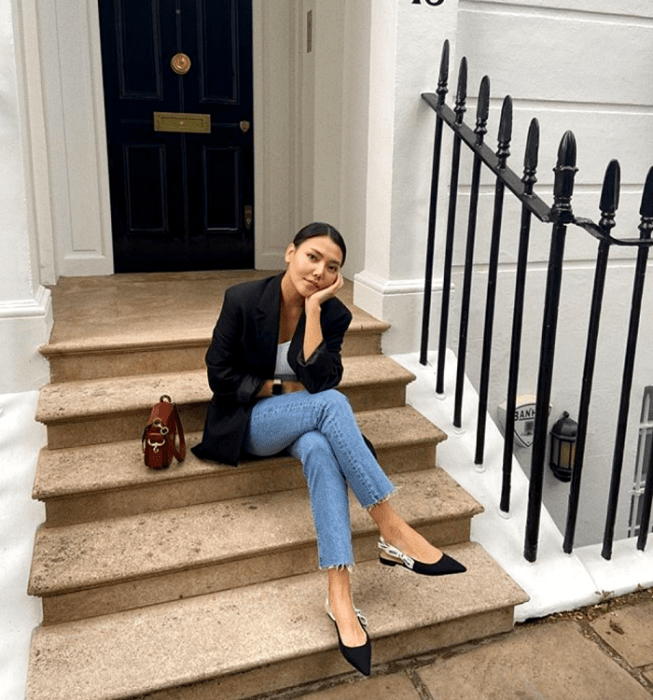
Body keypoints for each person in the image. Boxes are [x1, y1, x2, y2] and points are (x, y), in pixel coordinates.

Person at [193, 222, 466, 676]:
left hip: (304, 427)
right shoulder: (242, 299)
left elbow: (320, 381)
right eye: (313, 257)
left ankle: (339, 594)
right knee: (332, 407)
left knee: (321, 447)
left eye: (332, 266)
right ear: (289, 253)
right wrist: (283, 389)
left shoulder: (333, 315)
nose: (319, 271)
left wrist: (315, 311)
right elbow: (220, 377)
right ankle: (391, 527)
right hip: (250, 425)